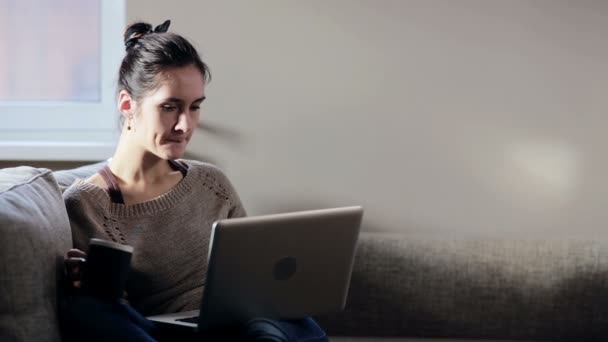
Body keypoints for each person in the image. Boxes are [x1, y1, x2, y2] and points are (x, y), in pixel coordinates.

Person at [60, 20, 329, 342]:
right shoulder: (88, 203)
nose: (185, 125)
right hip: (164, 330)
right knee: (89, 309)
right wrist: (92, 283)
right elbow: (116, 312)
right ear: (127, 105)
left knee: (285, 321)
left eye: (195, 107)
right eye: (170, 107)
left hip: (245, 323)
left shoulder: (211, 182)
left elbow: (254, 276)